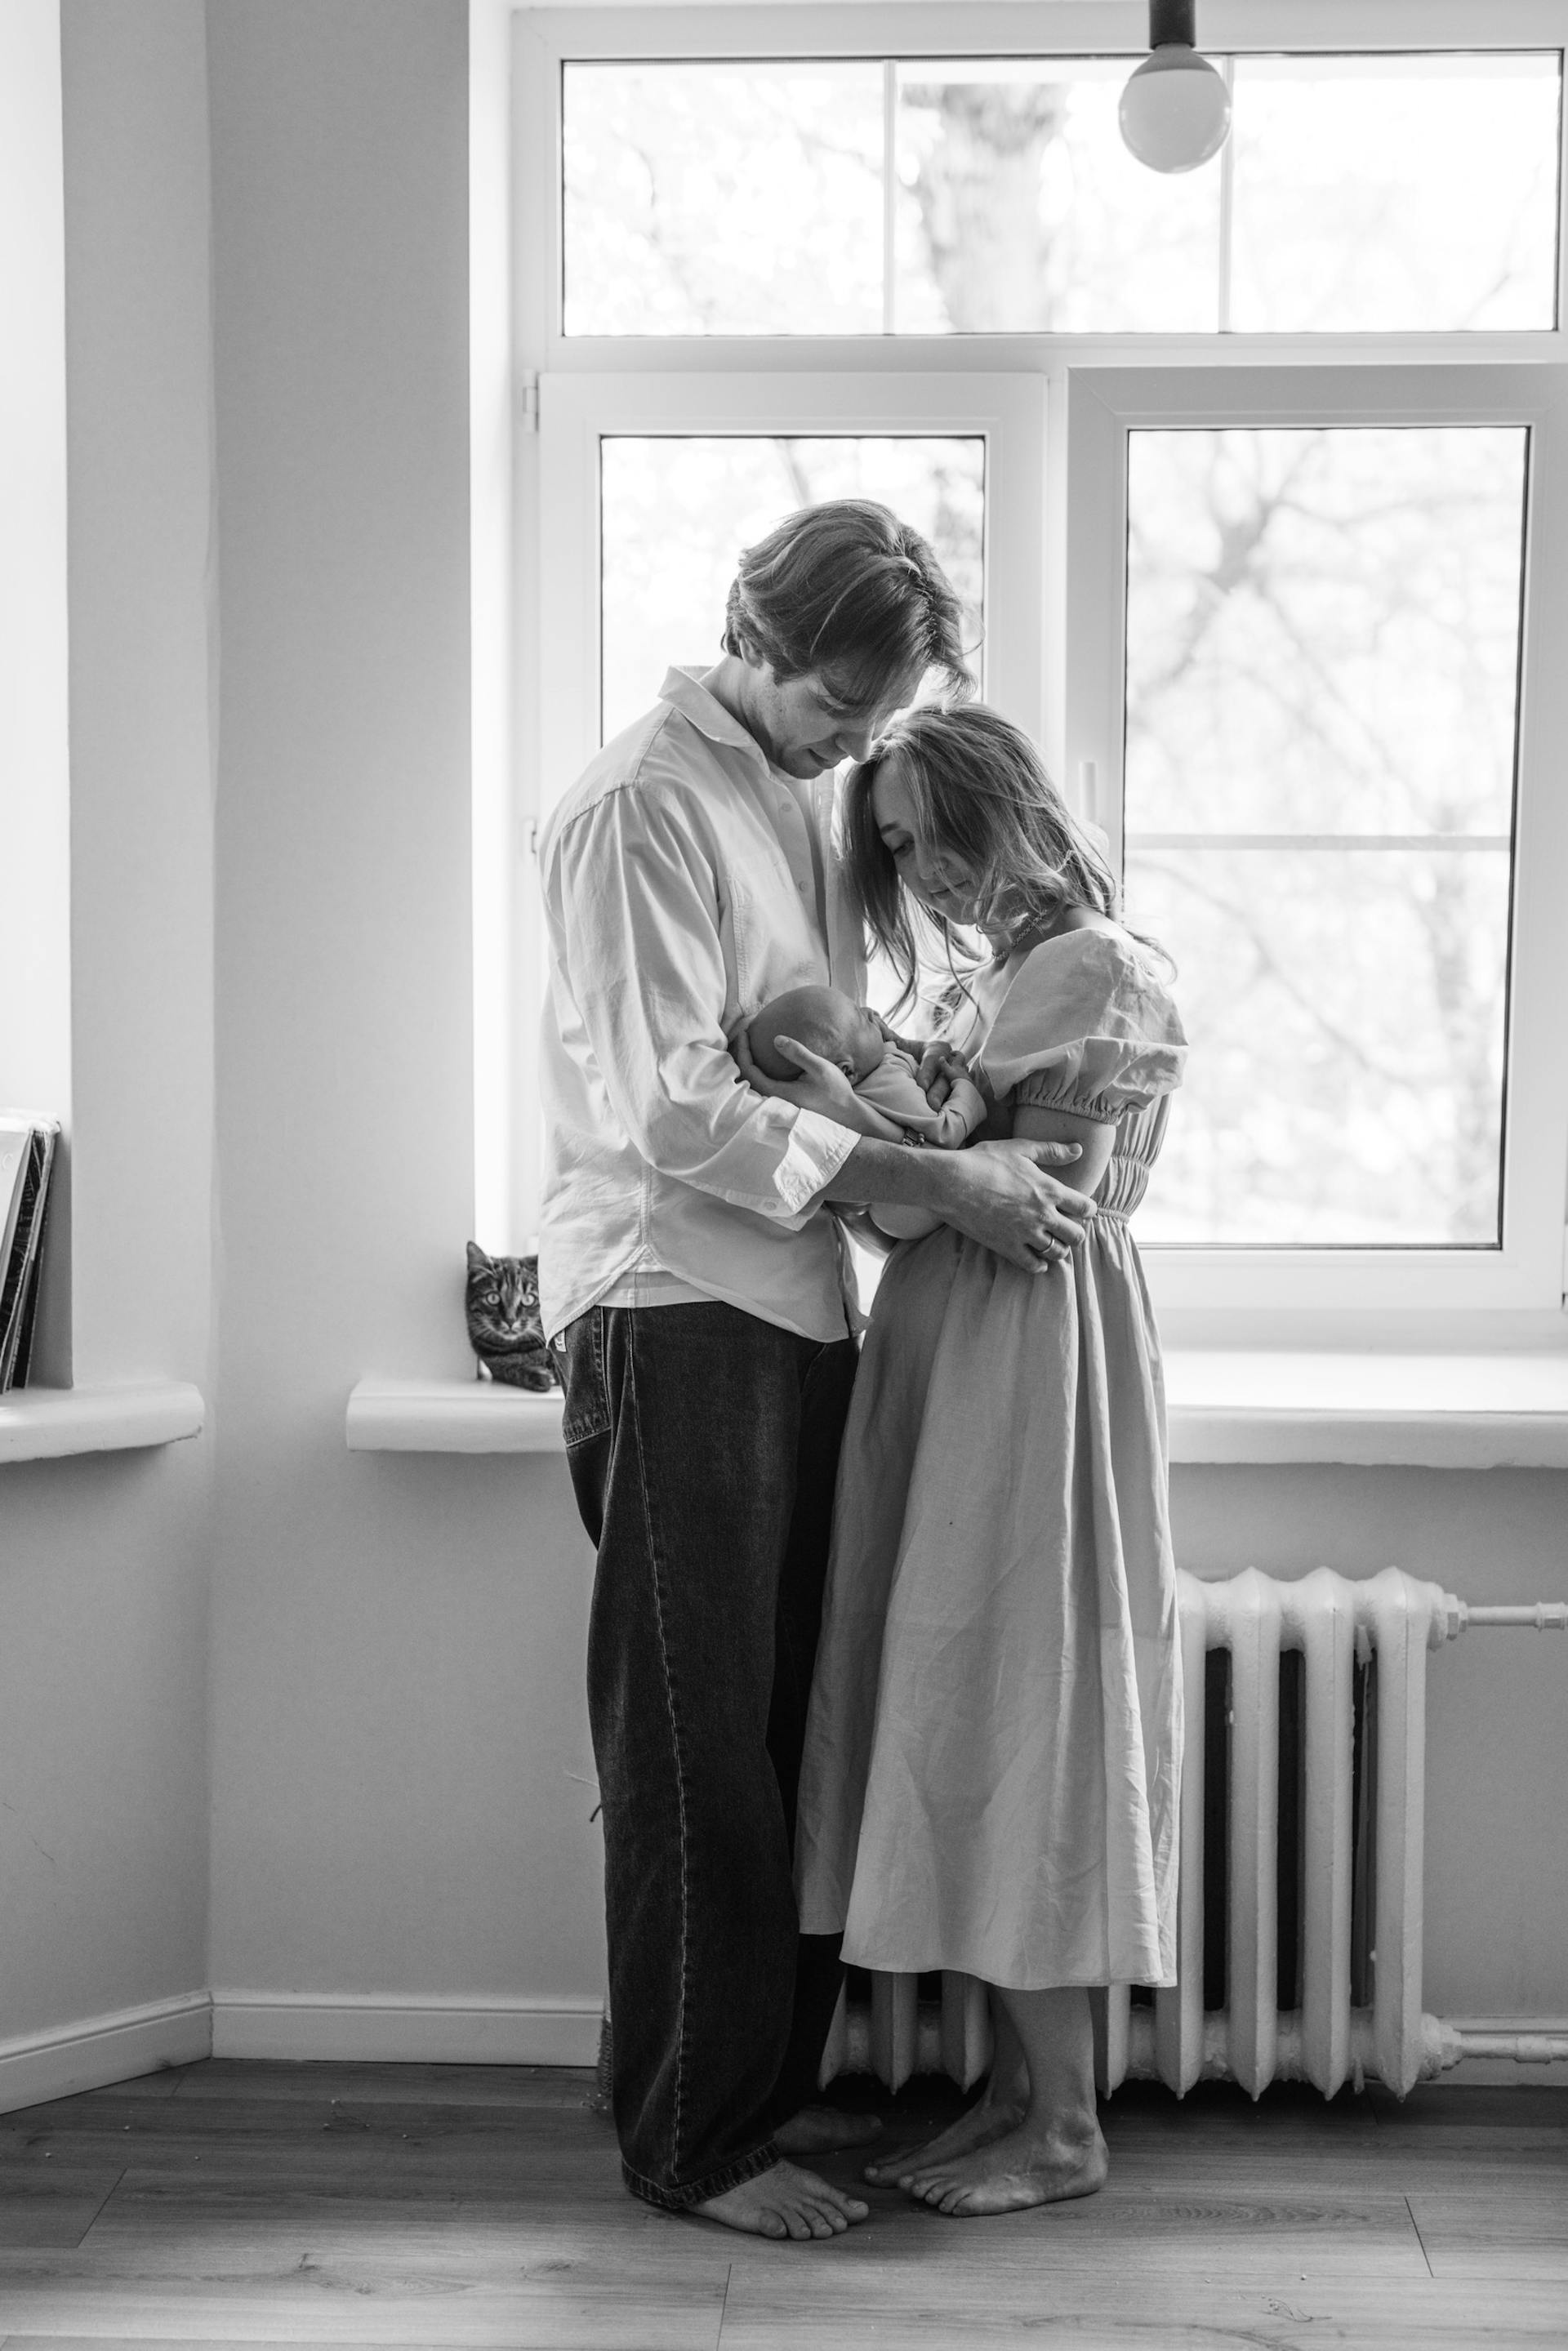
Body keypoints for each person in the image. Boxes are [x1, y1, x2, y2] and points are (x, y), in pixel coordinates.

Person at [537, 504, 1097, 2242]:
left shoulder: (797, 794)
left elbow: (839, 1052)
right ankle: (693, 2141)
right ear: (749, 628)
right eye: (841, 707)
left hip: (796, 1310)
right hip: (670, 1302)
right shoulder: (641, 801)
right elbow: (678, 1107)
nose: (856, 747)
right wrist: (940, 1182)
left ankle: (759, 2084)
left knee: (789, 1737)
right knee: (698, 1748)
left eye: (879, 718)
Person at [765, 701, 1187, 2220]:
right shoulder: (1001, 978)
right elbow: (916, 1198)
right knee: (963, 1694)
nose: (919, 873)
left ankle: (1065, 2119)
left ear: (995, 806)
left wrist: (855, 1104)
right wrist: (882, 1140)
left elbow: (1022, 1185)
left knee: (1029, 1698)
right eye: (890, 850)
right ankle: (1018, 2089)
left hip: (1030, 1354)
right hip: (956, 1347)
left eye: (927, 835)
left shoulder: (1092, 966)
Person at [745, 983, 988, 1152]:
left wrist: (916, 1049)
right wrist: (963, 1084)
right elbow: (948, 1133)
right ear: (846, 1072)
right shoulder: (890, 1088)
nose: (872, 1013)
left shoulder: (864, 1068)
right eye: (862, 1019)